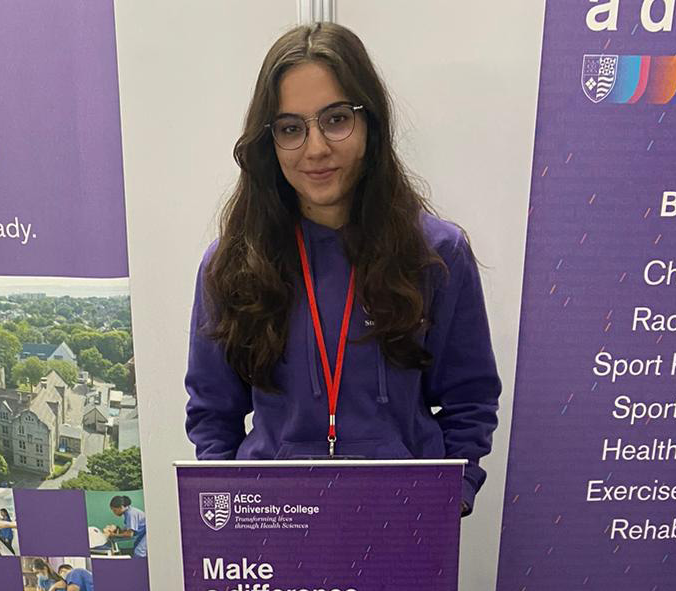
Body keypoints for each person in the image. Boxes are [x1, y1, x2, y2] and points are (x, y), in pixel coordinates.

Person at [185, 23, 501, 514]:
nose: (315, 149)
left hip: (403, 518)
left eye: (335, 120)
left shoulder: (437, 255)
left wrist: (452, 497)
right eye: (291, 128)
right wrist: (232, 511)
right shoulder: (231, 266)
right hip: (273, 523)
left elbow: (470, 399)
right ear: (269, 143)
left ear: (370, 123)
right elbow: (212, 414)